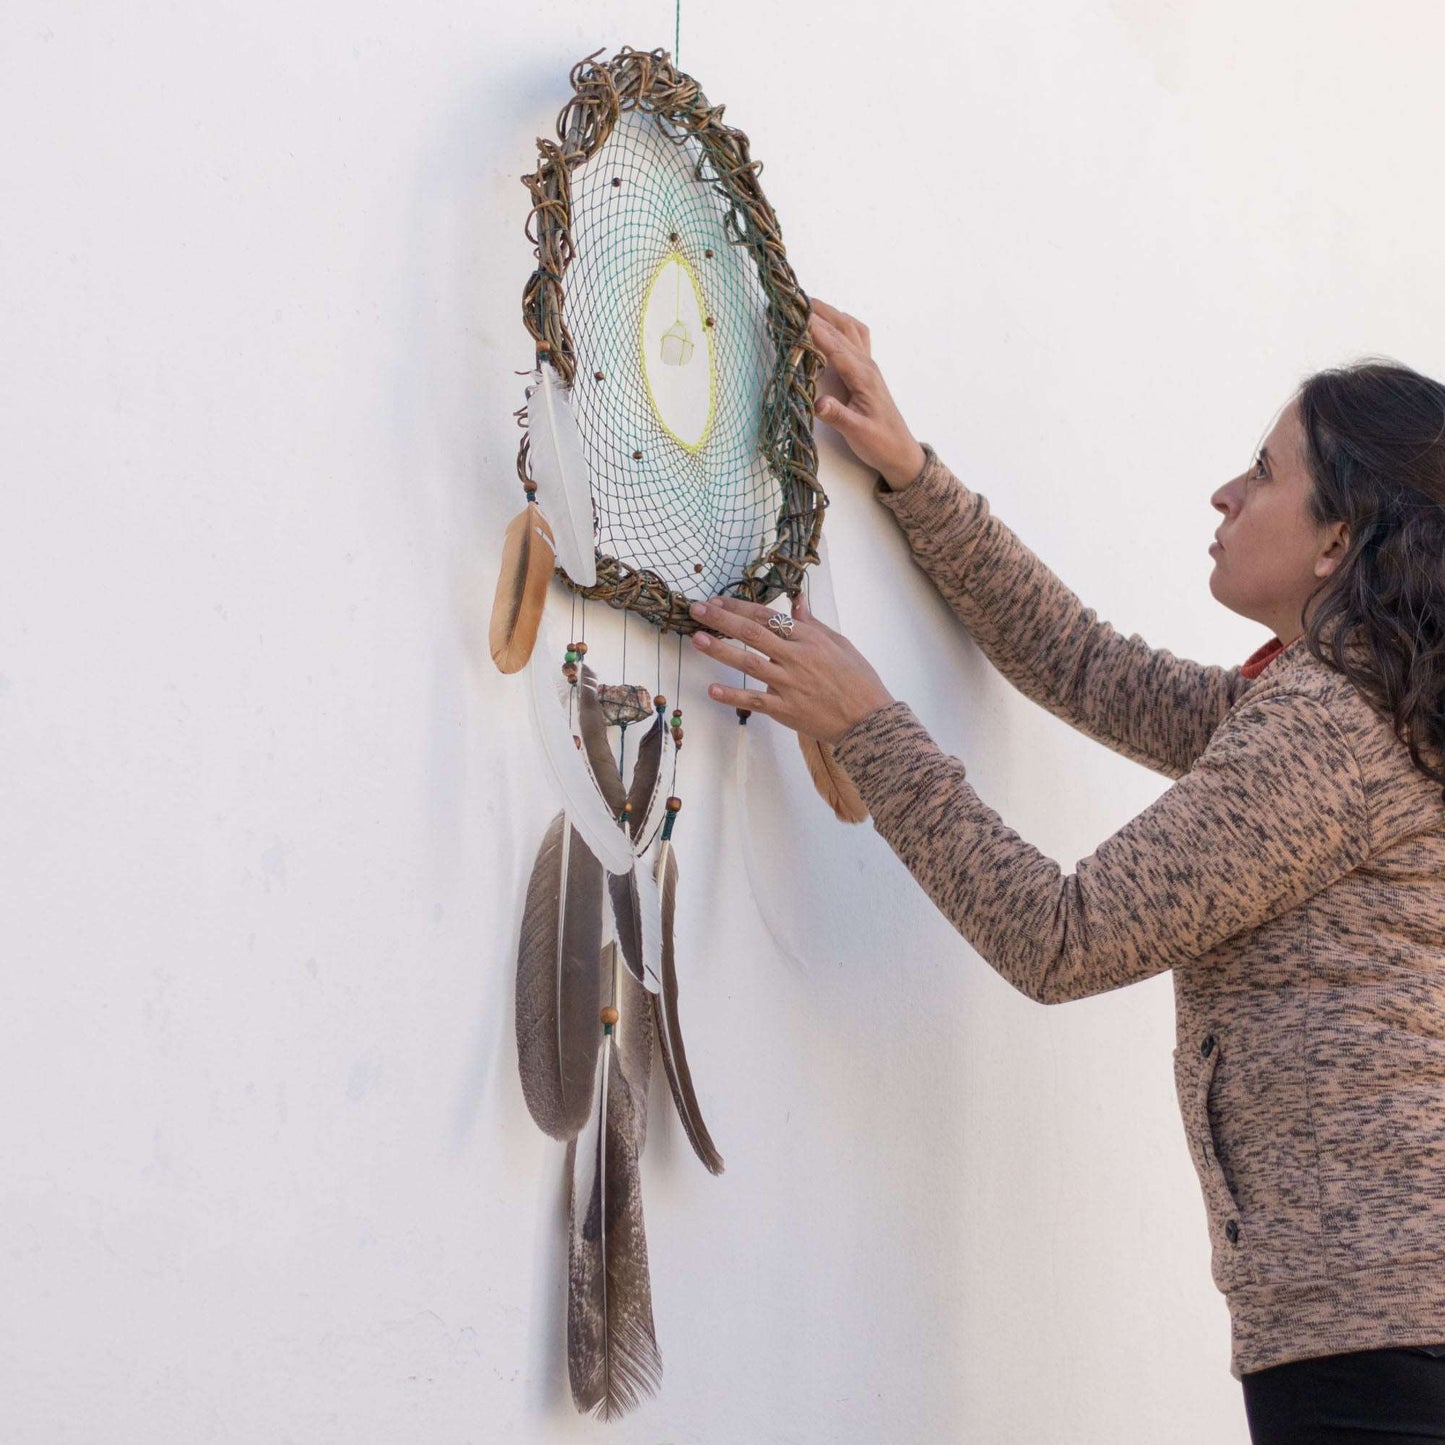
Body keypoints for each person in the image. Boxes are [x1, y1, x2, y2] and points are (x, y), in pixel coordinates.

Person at [686, 298, 1445, 1444]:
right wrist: (908, 472)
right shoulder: (1362, 711)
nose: (1223, 494)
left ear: (1339, 540)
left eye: (1261, 472)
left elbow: (1061, 935)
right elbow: (1086, 666)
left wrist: (870, 727)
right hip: (1377, 1315)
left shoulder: (1327, 729)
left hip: (1370, 1335)